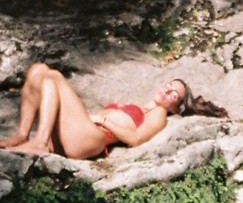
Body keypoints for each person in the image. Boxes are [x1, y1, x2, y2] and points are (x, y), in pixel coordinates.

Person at [0, 62, 228, 160]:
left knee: (53, 76)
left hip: (92, 137)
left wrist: (102, 119)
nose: (167, 91)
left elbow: (136, 139)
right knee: (38, 69)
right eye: (169, 85)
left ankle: (39, 142)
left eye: (174, 95)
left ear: (176, 108)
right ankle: (23, 135)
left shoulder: (158, 115)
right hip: (76, 134)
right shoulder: (140, 105)